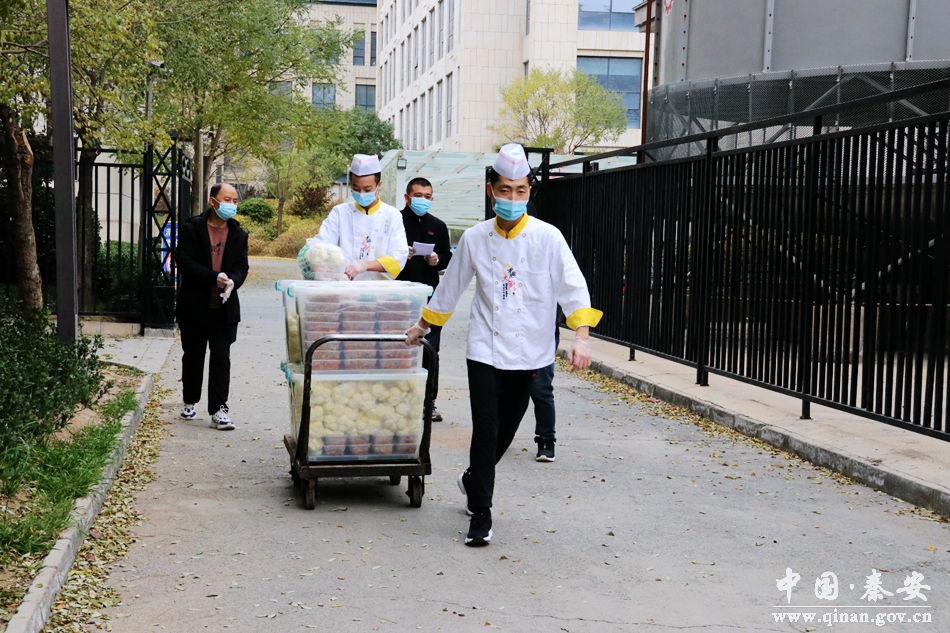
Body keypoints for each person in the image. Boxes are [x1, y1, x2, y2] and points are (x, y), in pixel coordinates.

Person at [405, 144, 602, 547]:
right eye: (505, 190)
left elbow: (573, 287)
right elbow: (450, 288)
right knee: (486, 429)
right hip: (484, 350)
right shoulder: (475, 238)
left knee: (506, 432)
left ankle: (472, 479)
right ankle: (481, 512)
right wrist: (421, 326)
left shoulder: (548, 237)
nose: (513, 198)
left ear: (529, 191)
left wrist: (581, 337)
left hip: (531, 352)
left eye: (521, 190)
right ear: (491, 190)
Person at [176, 183, 249, 430]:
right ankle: (190, 400)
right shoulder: (192, 229)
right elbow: (183, 261)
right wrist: (212, 277)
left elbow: (242, 266)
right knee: (193, 356)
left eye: (235, 201)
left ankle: (219, 410)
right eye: (227, 199)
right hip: (194, 307)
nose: (232, 205)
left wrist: (233, 281)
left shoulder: (239, 234)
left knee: (221, 358)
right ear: (213, 201)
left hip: (224, 309)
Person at [396, 177, 452, 422]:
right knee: (398, 347)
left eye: (427, 197)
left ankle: (428, 402)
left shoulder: (438, 226)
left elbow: (447, 256)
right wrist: (400, 255)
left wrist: (437, 260)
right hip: (399, 295)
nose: (423, 200)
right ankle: (397, 398)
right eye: (418, 195)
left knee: (430, 350)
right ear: (407, 197)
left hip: (429, 299)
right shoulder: (395, 221)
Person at [312, 154, 409, 281]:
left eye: (367, 189)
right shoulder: (339, 212)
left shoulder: (392, 215)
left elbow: (398, 257)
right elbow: (322, 247)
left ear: (379, 185)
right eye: (356, 188)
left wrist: (363, 266)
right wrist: (332, 271)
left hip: (377, 288)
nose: (361, 193)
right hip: (342, 286)